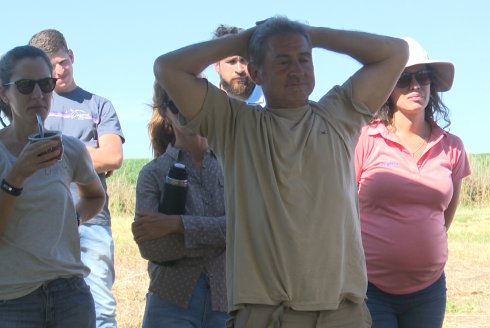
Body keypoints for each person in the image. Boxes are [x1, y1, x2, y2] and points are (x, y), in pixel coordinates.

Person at [154, 16, 409, 327]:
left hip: (342, 312)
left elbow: (396, 53)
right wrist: (244, 40)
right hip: (266, 313)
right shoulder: (234, 125)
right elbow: (167, 68)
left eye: (304, 59)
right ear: (256, 72)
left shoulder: (339, 115)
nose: (297, 70)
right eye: (283, 61)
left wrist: (314, 34)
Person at [354, 37, 471, 327]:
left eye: (423, 77)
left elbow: (445, 216)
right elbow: (344, 209)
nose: (416, 86)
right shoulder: (364, 139)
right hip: (371, 290)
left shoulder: (452, 146)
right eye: (404, 79)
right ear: (389, 87)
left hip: (429, 292)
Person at [0, 45, 105, 327]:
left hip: (70, 295)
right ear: (3, 92)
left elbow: (95, 195)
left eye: (46, 84)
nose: (38, 95)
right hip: (12, 301)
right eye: (24, 86)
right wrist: (17, 175)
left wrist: (75, 217)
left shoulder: (69, 149)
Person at [29, 29, 124, 328]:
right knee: (43, 306)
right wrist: (87, 153)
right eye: (50, 67)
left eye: (62, 62)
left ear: (71, 56)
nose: (58, 72)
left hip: (92, 220)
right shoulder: (34, 104)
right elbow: (22, 152)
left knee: (102, 309)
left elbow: (112, 157)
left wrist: (55, 147)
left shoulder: (99, 105)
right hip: (40, 221)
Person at [131, 81, 228, 327]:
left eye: (194, 101)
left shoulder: (233, 166)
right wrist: (221, 236)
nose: (187, 111)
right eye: (177, 105)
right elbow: (153, 250)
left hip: (228, 299)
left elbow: (248, 231)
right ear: (164, 111)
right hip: (170, 301)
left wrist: (176, 225)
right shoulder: (152, 174)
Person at [213, 24, 265, 106]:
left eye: (244, 61)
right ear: (216, 66)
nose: (239, 70)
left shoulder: (273, 101)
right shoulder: (204, 101)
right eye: (231, 62)